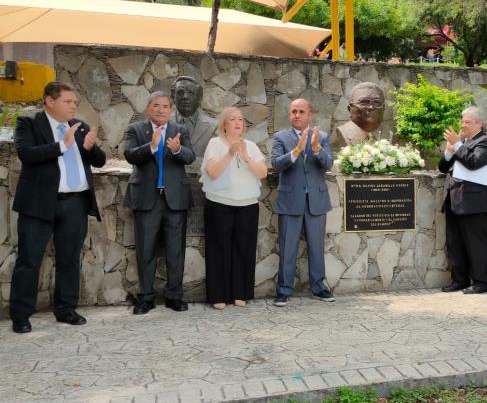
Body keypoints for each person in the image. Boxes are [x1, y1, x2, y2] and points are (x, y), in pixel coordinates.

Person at [9, 81, 106, 334]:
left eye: (75, 102)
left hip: (75, 203)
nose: (74, 105)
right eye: (68, 101)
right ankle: (21, 314)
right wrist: (62, 145)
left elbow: (100, 160)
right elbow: (26, 153)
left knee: (70, 260)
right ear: (49, 101)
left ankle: (66, 309)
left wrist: (90, 147)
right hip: (39, 204)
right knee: (29, 260)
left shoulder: (81, 126)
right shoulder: (29, 123)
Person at [123, 91, 195, 315]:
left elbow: (190, 156)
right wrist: (151, 147)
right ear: (148, 108)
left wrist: (177, 149)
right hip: (146, 199)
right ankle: (146, 298)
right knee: (146, 250)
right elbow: (129, 155)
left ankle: (174, 296)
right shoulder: (136, 129)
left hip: (175, 199)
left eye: (165, 106)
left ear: (171, 110)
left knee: (175, 251)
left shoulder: (180, 130)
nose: (161, 109)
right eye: (156, 105)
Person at [201, 107, 268, 309]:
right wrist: (230, 153)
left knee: (243, 249)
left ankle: (241, 292)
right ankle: (218, 295)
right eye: (232, 119)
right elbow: (212, 172)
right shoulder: (214, 144)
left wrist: (246, 156)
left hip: (247, 205)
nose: (238, 122)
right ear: (224, 125)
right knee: (218, 249)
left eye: (240, 119)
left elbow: (263, 173)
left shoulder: (252, 146)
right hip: (219, 204)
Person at [271, 98, 334, 307]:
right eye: (293, 112)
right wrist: (296, 151)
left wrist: (316, 148)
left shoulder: (322, 137)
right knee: (288, 247)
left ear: (310, 115)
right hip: (290, 200)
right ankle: (284, 290)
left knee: (316, 247)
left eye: (300, 112)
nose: (296, 115)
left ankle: (319, 287)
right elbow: (276, 165)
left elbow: (328, 164)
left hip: (316, 200)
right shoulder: (280, 137)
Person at [438, 107, 487, 294]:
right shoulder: (461, 142)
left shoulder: (486, 142)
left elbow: (474, 162)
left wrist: (457, 145)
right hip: (454, 199)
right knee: (454, 243)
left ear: (480, 124)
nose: (463, 125)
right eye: (462, 121)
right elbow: (442, 167)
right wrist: (449, 151)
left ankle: (481, 282)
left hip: (474, 202)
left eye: (468, 122)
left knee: (476, 244)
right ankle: (459, 280)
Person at [171, 75, 217, 161]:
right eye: (180, 92)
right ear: (173, 96)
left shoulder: (213, 126)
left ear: (199, 99)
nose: (185, 96)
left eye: (190, 93)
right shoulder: (161, 123)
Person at [334, 82, 385, 147]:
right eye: (364, 102)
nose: (371, 107)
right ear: (350, 109)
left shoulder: (388, 134)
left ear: (384, 108)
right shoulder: (344, 132)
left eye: (376, 102)